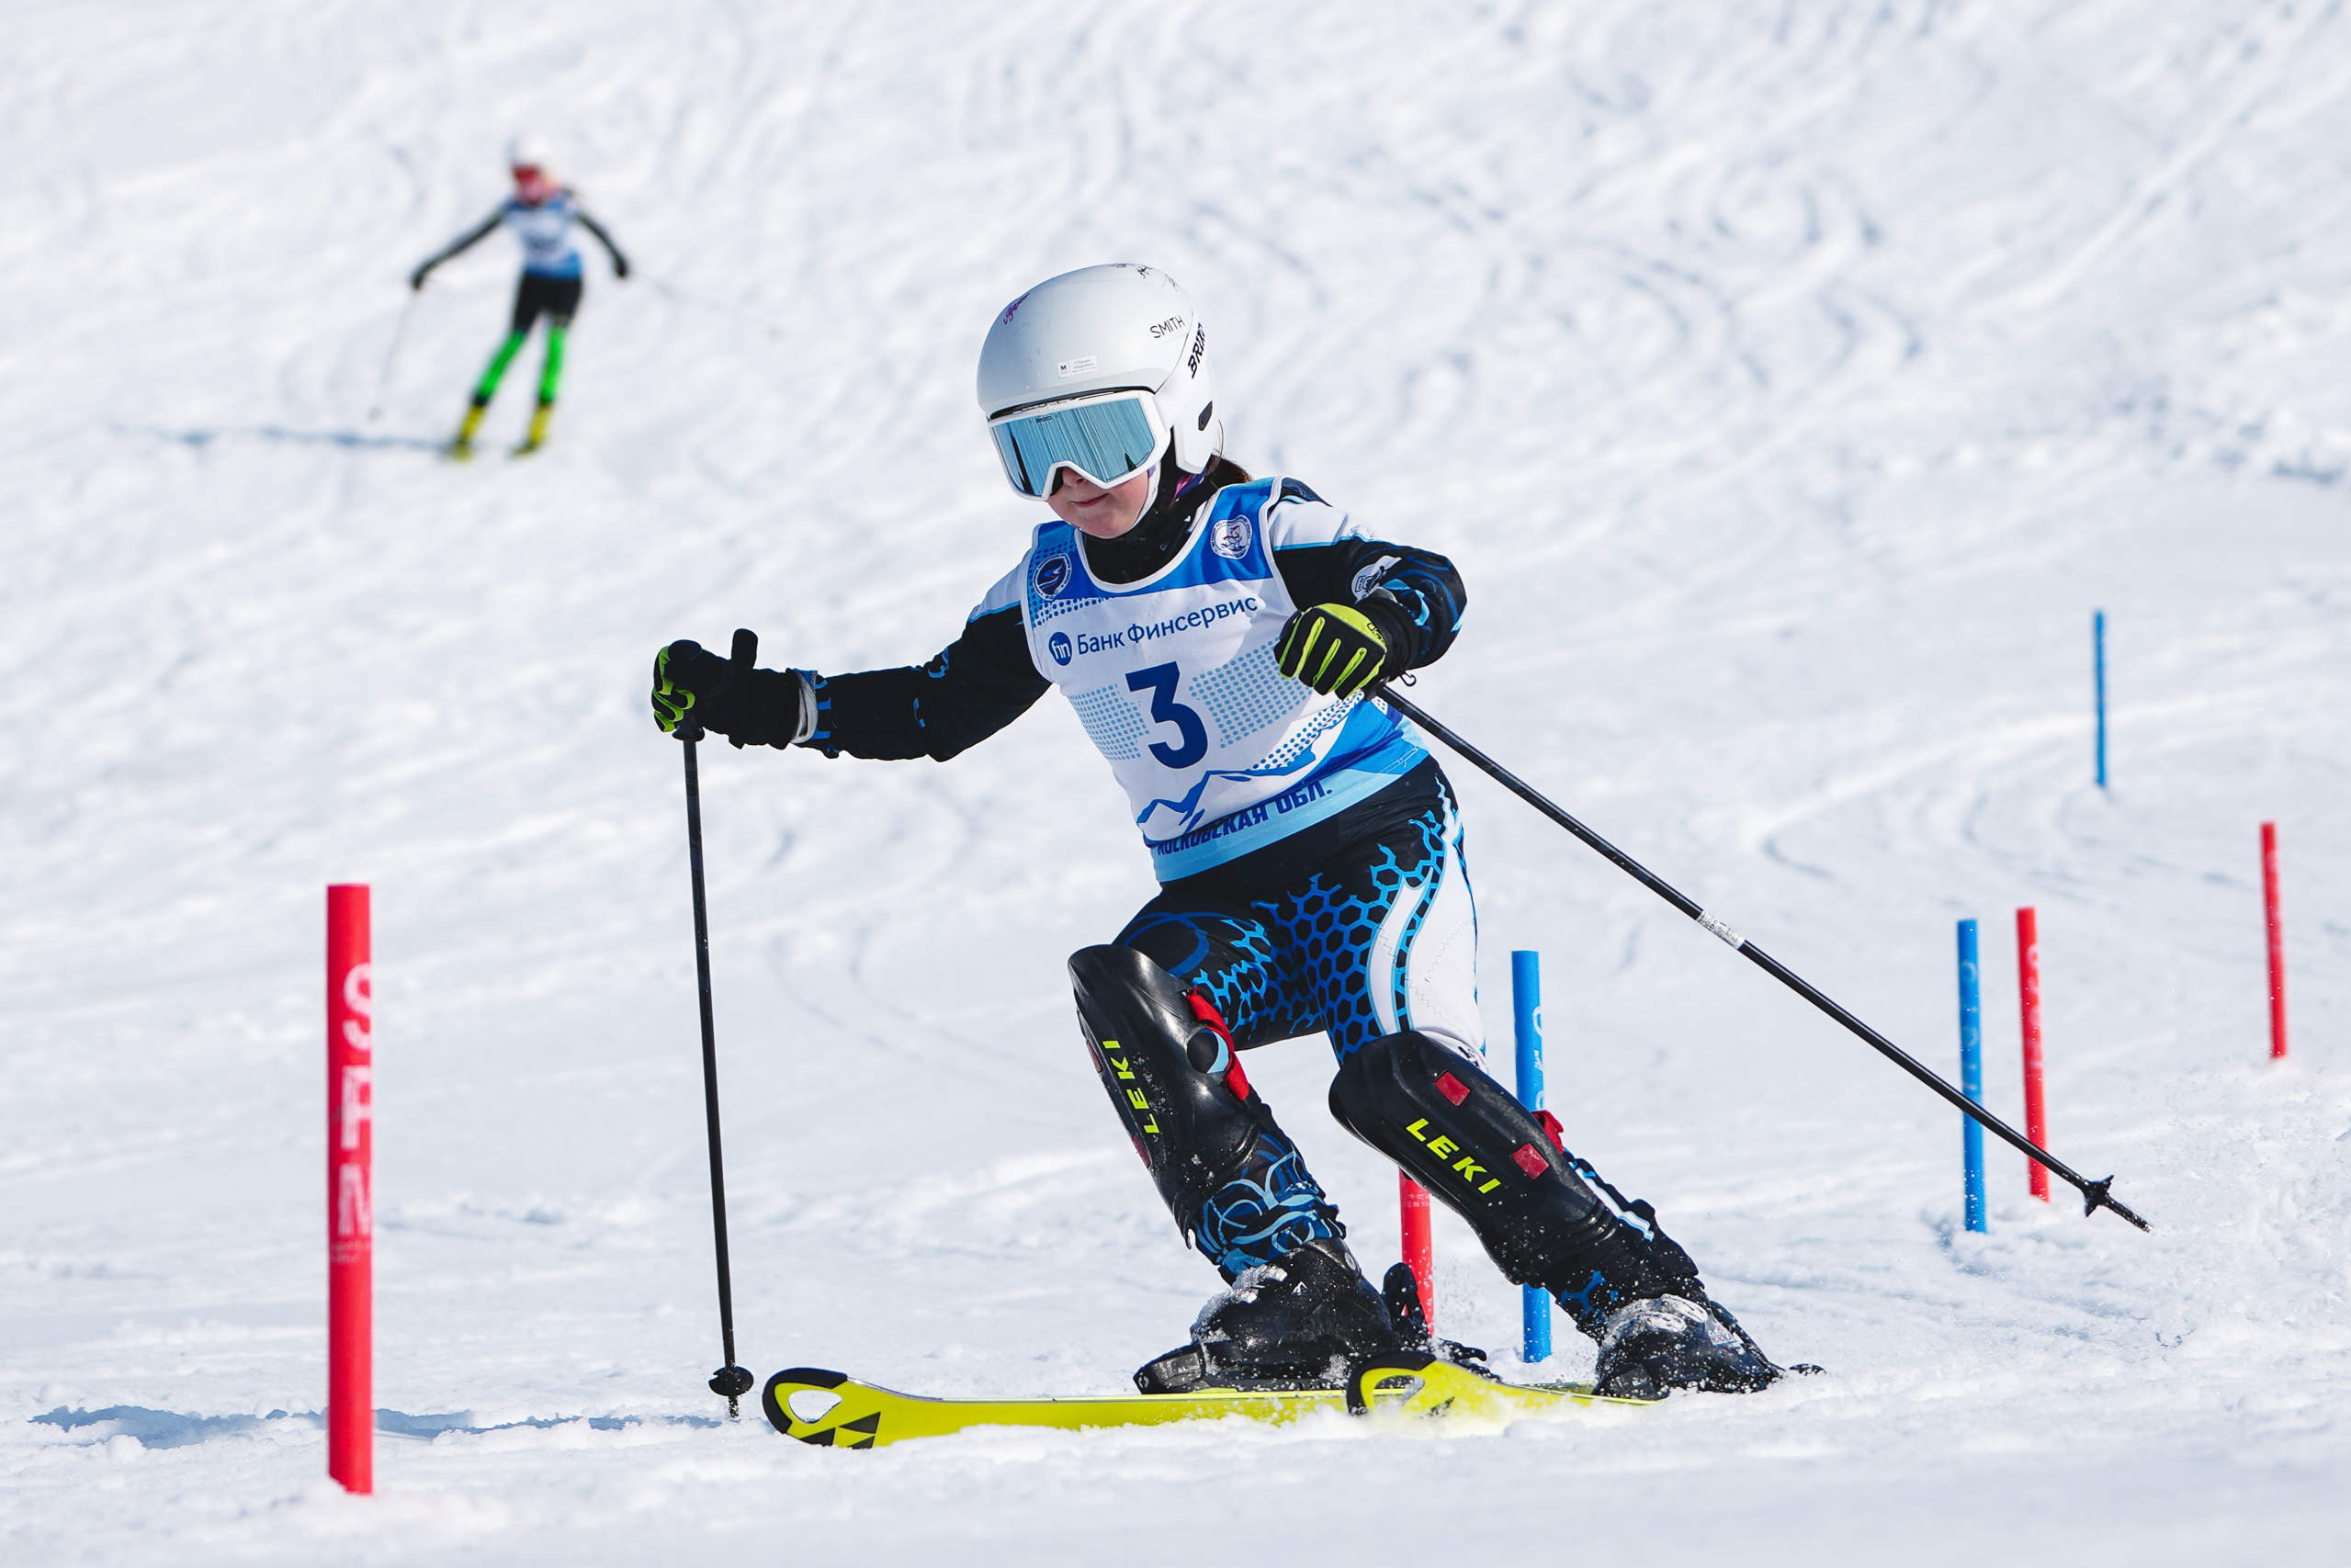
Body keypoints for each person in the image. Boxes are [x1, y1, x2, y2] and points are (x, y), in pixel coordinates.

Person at [648, 264, 1789, 1399]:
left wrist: (1376, 624)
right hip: (1221, 893)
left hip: (1367, 849)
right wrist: (759, 704)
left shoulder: (1263, 529)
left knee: (1394, 1080)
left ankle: (1649, 1299)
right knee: (1127, 989)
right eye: (1030, 452)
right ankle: (1306, 1290)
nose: (1069, 482)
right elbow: (929, 710)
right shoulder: (1045, 590)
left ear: (1182, 414)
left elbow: (1421, 580)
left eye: (1100, 437)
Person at [409, 135, 629, 458]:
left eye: (531, 174)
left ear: (546, 172)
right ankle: (468, 429)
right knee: (509, 348)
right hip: (533, 282)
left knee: (554, 347)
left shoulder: (565, 203)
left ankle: (537, 431)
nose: (525, 183)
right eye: (518, 175)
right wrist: (431, 265)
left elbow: (600, 232)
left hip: (567, 283)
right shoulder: (512, 210)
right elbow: (471, 239)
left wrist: (618, 260)